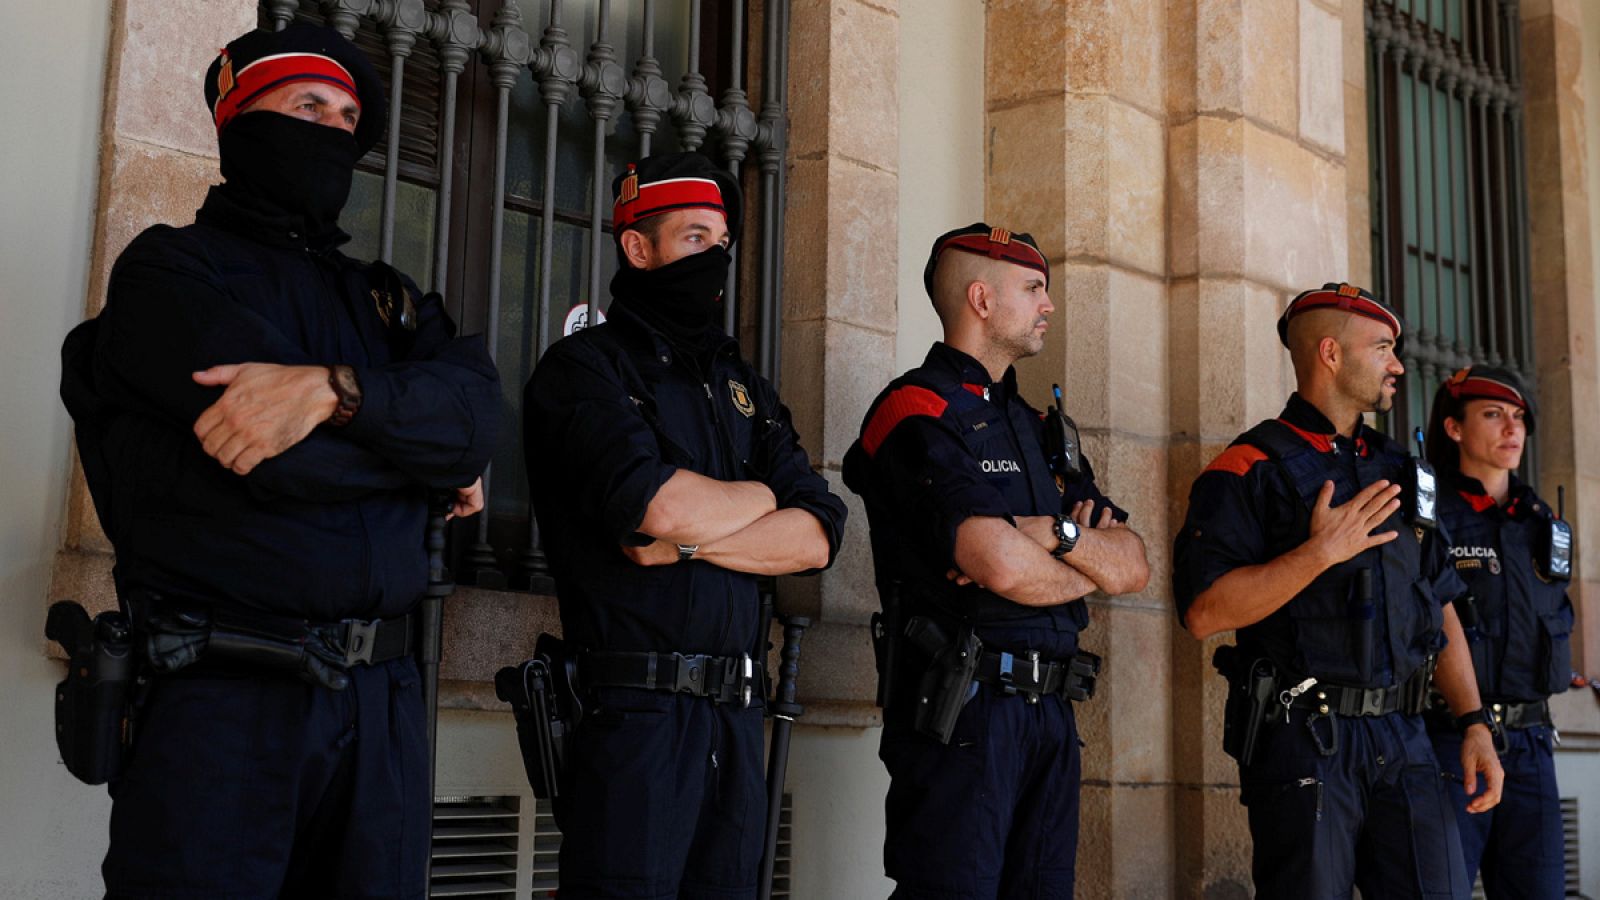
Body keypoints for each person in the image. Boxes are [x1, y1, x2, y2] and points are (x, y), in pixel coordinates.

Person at [58, 23, 501, 898]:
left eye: (345, 117)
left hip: (382, 714)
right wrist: (424, 464)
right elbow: (287, 469)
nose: (333, 131)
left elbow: (480, 418)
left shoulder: (389, 304)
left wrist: (337, 395)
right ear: (239, 122)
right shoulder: (170, 273)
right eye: (308, 107)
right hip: (225, 709)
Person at [522, 151, 847, 900]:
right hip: (634, 719)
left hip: (737, 720)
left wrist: (703, 529)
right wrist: (764, 500)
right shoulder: (585, 370)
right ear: (639, 247)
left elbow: (818, 536)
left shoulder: (745, 390)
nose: (717, 257)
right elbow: (653, 509)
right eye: (696, 237)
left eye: (723, 241)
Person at [841, 223, 1151, 899]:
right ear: (981, 299)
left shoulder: (1043, 430)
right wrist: (1074, 564)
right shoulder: (915, 408)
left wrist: (1053, 535)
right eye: (1034, 288)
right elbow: (998, 565)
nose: (1049, 305)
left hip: (1051, 716)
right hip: (964, 712)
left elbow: (1131, 567)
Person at [1173, 282, 1504, 899]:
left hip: (1405, 739)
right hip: (1306, 741)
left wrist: (1474, 723)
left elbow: (1442, 602)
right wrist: (1319, 552)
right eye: (1383, 347)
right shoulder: (1248, 467)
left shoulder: (1404, 469)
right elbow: (1203, 612)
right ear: (1330, 353)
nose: (1399, 364)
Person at [1422, 366, 1574, 899]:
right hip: (1448, 740)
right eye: (1493, 415)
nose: (1512, 428)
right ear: (1454, 428)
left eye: (1518, 418)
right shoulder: (1430, 515)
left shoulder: (1542, 522)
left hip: (1532, 744)